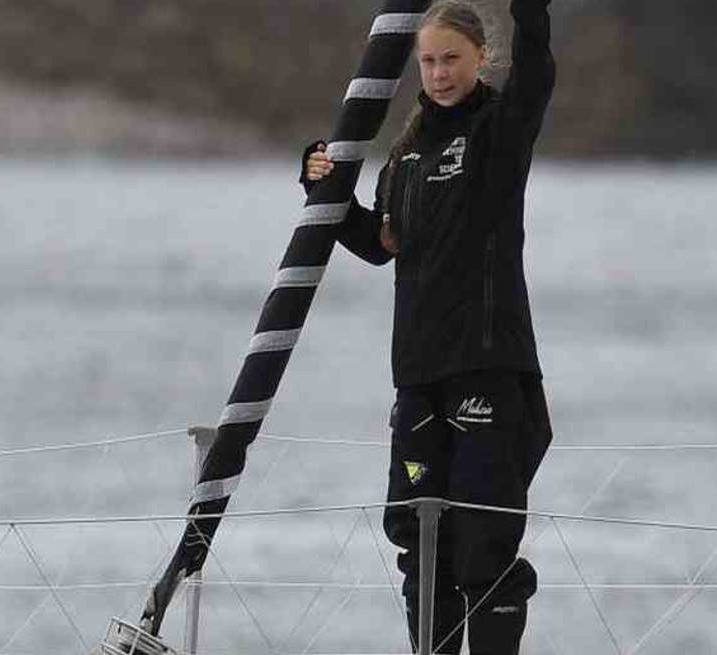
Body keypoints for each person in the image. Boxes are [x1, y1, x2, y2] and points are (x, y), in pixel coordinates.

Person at [299, 0, 555, 652]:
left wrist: (533, 12)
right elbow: (382, 243)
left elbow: (537, 74)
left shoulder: (499, 130)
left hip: (489, 373)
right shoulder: (407, 156)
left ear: (480, 59)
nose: (439, 74)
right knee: (422, 546)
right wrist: (321, 187)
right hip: (417, 381)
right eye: (429, 61)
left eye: (452, 59)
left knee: (481, 549)